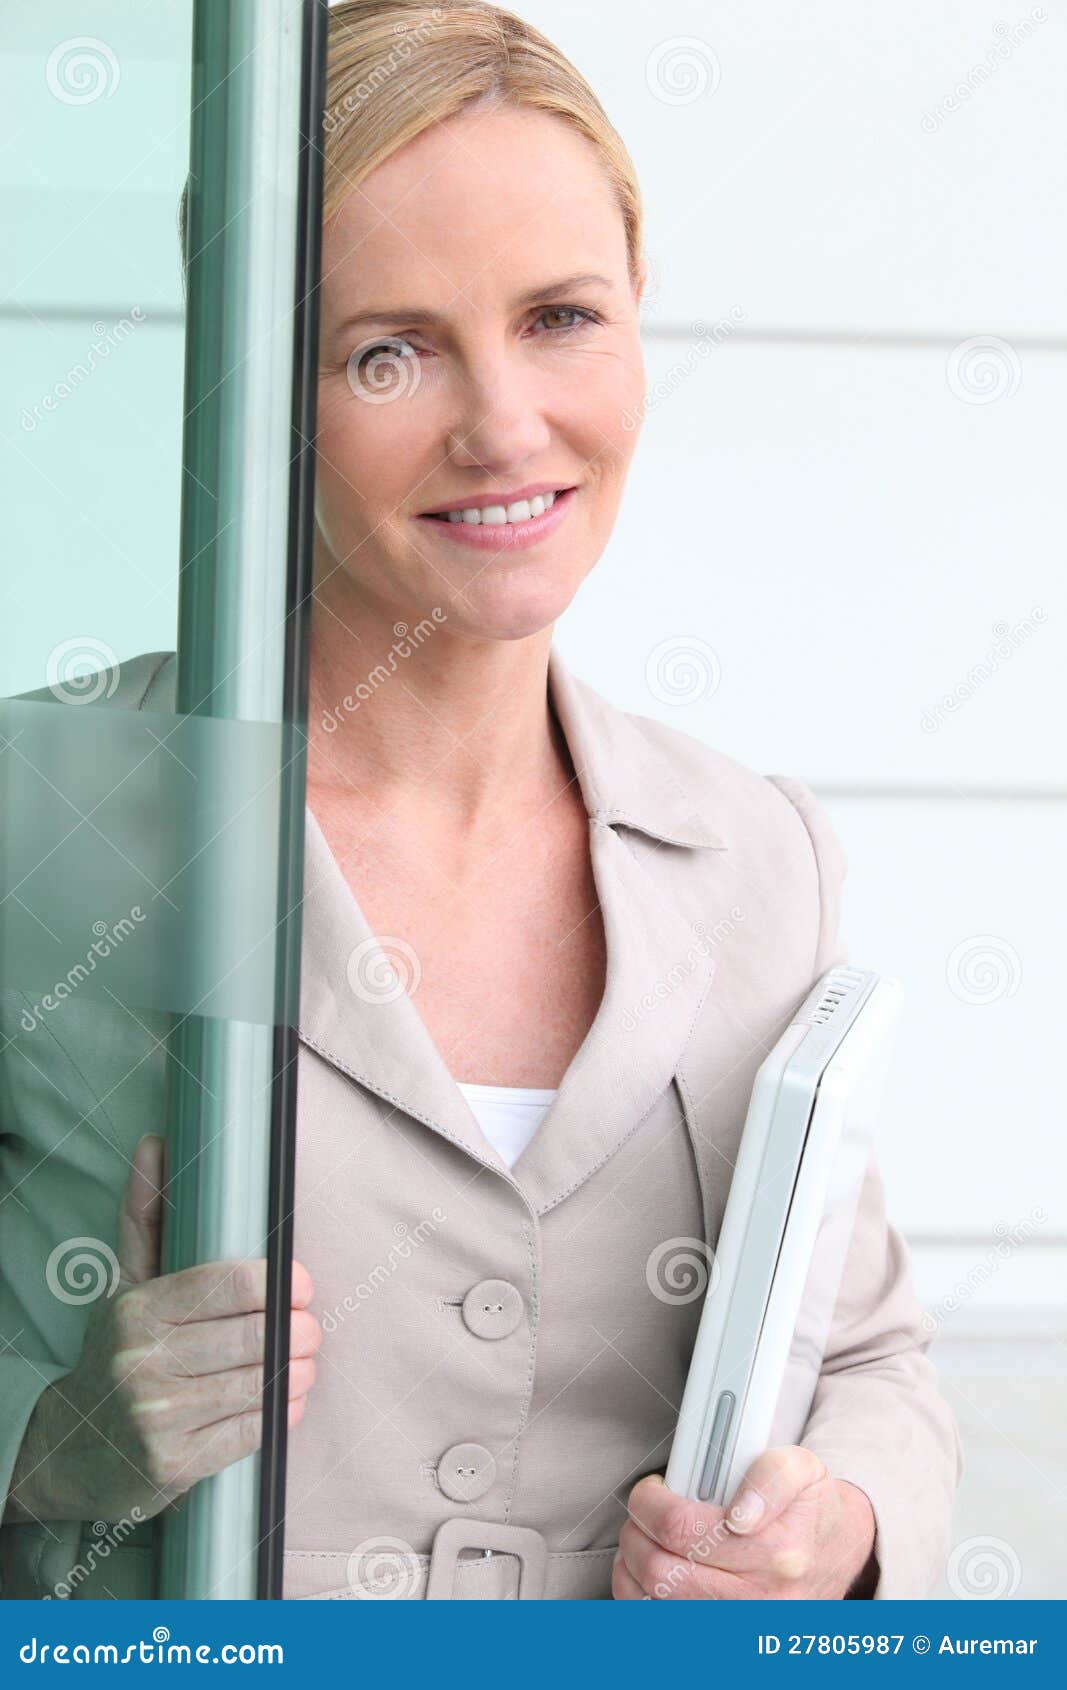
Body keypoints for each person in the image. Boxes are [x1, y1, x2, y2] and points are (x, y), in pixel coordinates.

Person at [0, 0, 961, 1600]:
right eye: (390, 349)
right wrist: (52, 1442)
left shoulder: (756, 853)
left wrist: (836, 1529)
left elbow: (866, 1353)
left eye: (561, 316)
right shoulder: (44, 815)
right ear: (254, 379)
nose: (505, 426)